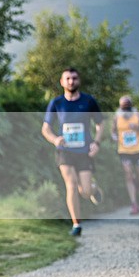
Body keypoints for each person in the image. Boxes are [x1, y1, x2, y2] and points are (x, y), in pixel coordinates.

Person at [42, 67, 104, 236]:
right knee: (71, 185)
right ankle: (76, 225)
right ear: (62, 82)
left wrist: (96, 143)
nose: (71, 81)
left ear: (79, 81)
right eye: (68, 78)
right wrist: (55, 139)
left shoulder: (88, 101)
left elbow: (100, 124)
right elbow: (45, 128)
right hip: (65, 151)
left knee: (84, 192)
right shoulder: (56, 103)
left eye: (74, 78)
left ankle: (92, 188)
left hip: (84, 152)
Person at [111, 95, 139, 215]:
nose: (125, 109)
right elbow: (112, 130)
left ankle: (138, 184)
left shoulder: (137, 115)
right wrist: (114, 137)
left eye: (127, 106)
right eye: (123, 107)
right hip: (124, 150)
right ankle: (134, 204)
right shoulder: (117, 117)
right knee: (128, 174)